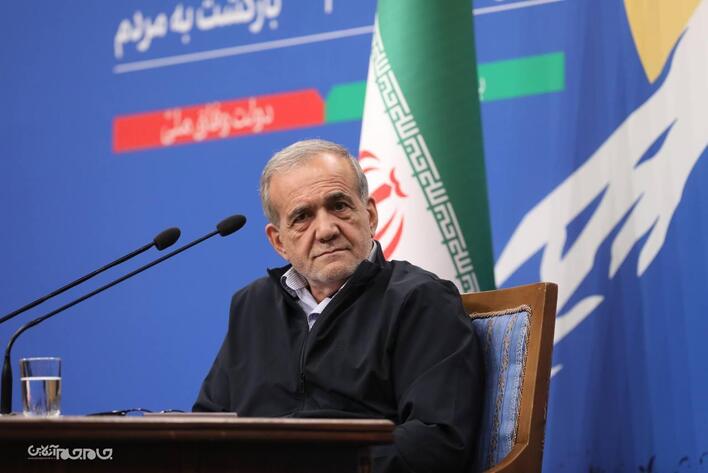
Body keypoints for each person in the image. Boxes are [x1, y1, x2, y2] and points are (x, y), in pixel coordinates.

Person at [194, 139, 482, 473]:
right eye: (302, 217)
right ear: (278, 241)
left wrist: (308, 464)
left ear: (369, 215)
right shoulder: (252, 306)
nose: (326, 230)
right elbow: (207, 424)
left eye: (339, 206)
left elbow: (438, 439)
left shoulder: (420, 300)